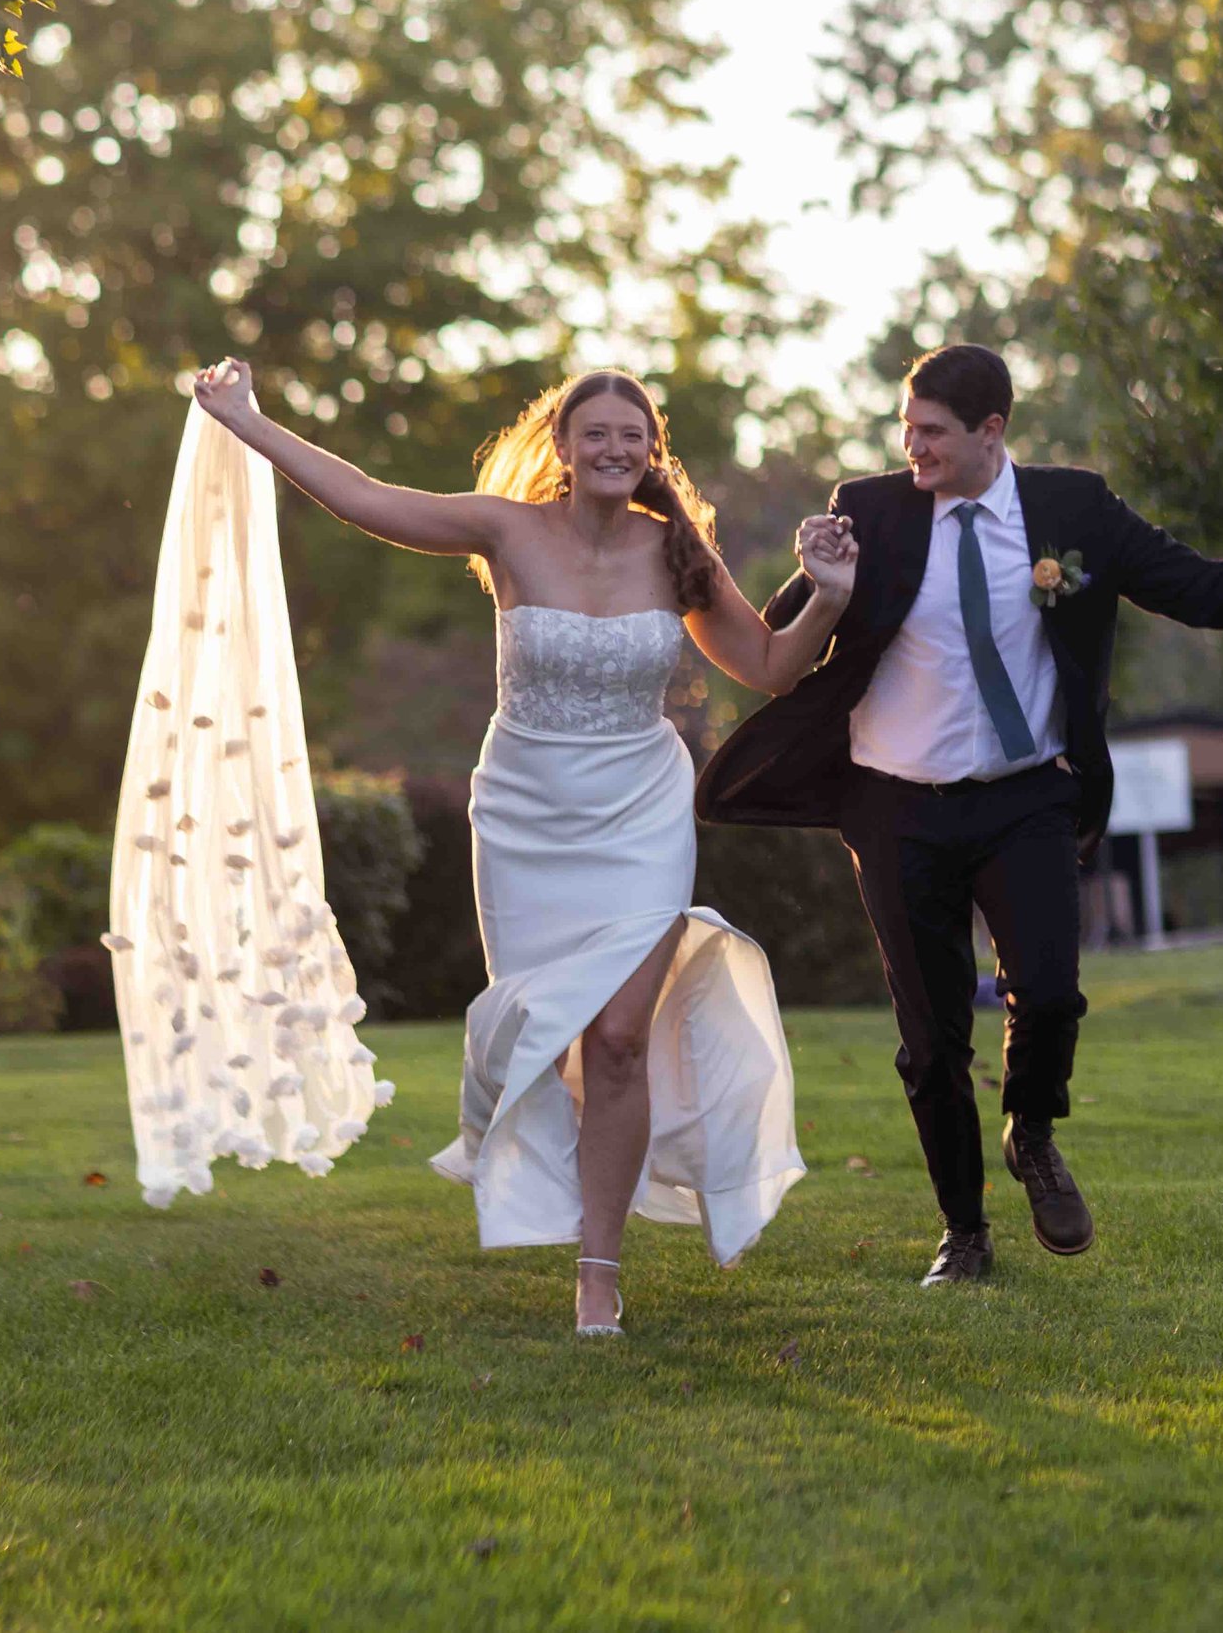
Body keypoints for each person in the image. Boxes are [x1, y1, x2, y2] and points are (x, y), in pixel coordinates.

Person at [696, 343, 1223, 1286]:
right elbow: (780, 647)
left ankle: (1032, 1128)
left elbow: (1191, 585)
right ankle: (965, 1232)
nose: (913, 448)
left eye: (932, 432)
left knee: (1051, 992)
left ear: (992, 431)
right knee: (932, 1038)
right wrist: (822, 583)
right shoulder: (871, 511)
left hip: (1027, 793)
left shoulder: (1072, 509)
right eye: (905, 428)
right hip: (896, 803)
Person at [194, 360, 856, 1336]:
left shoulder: (675, 552)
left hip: (637, 814)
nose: (614, 449)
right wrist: (248, 419)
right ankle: (562, 1182)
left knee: (621, 1039)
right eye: (595, 433)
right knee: (546, 1040)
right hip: (525, 816)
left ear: (650, 450)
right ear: (561, 445)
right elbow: (365, 497)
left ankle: (598, 1271)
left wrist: (829, 598)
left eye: (632, 436)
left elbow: (765, 665)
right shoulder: (505, 531)